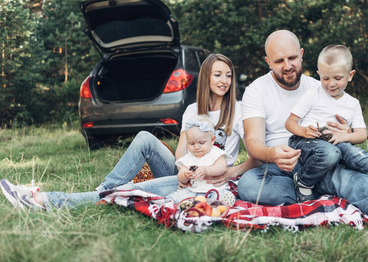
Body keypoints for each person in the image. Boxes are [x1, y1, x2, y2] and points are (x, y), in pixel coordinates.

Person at [1, 54, 259, 211]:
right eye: (217, 75)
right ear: (207, 77)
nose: (224, 80)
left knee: (130, 191)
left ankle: (42, 200)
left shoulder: (238, 110)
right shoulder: (192, 110)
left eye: (228, 75)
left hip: (206, 181)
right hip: (183, 173)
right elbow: (181, 152)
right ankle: (104, 189)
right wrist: (182, 169)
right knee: (145, 137)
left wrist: (232, 170)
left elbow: (255, 153)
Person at [237, 30, 368, 229]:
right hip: (280, 166)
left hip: (319, 156)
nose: (288, 66)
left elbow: (345, 129)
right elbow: (253, 142)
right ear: (268, 62)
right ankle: (312, 188)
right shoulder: (256, 90)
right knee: (248, 184)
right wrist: (272, 153)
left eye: (293, 58)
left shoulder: (320, 86)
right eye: (279, 61)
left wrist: (346, 132)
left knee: (342, 176)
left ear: (302, 54)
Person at [285, 45, 368, 202]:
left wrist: (346, 136)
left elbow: (361, 134)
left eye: (338, 78)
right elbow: (290, 123)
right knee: (331, 153)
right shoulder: (312, 95)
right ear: (319, 75)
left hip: (336, 142)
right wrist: (303, 131)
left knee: (362, 158)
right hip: (305, 142)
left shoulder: (352, 103)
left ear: (350, 75)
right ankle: (303, 182)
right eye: (325, 78)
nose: (331, 84)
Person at [167, 115, 232, 203]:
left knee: (221, 197)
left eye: (201, 143)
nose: (196, 147)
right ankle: (170, 201)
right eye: (191, 143)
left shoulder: (216, 152)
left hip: (215, 189)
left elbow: (223, 167)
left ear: (212, 140)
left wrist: (206, 170)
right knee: (179, 196)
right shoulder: (188, 158)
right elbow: (180, 176)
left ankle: (220, 202)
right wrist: (185, 175)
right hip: (194, 191)